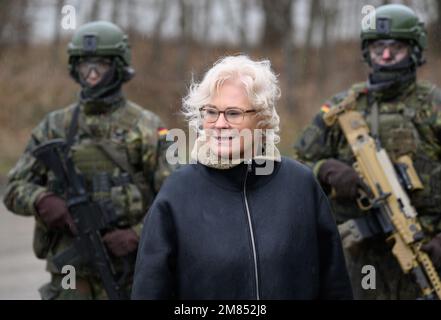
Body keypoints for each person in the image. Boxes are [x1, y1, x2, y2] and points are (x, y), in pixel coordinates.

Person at [131, 55, 353, 300]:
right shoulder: (177, 192)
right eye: (211, 112)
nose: (219, 124)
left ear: (262, 118)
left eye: (233, 113)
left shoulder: (301, 185)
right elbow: (150, 290)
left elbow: (335, 286)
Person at [3, 21, 173, 299]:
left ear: (118, 67)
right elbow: (14, 188)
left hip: (129, 272)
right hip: (71, 276)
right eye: (85, 66)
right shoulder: (54, 126)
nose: (92, 75)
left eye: (101, 66)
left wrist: (137, 234)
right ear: (75, 69)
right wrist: (42, 200)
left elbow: (174, 199)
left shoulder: (148, 127)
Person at [293, 4, 441, 299]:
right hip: (361, 261)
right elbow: (296, 165)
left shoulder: (432, 106)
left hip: (427, 252)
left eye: (395, 48)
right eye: (377, 48)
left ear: (413, 50)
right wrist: (327, 170)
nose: (385, 56)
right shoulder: (341, 108)